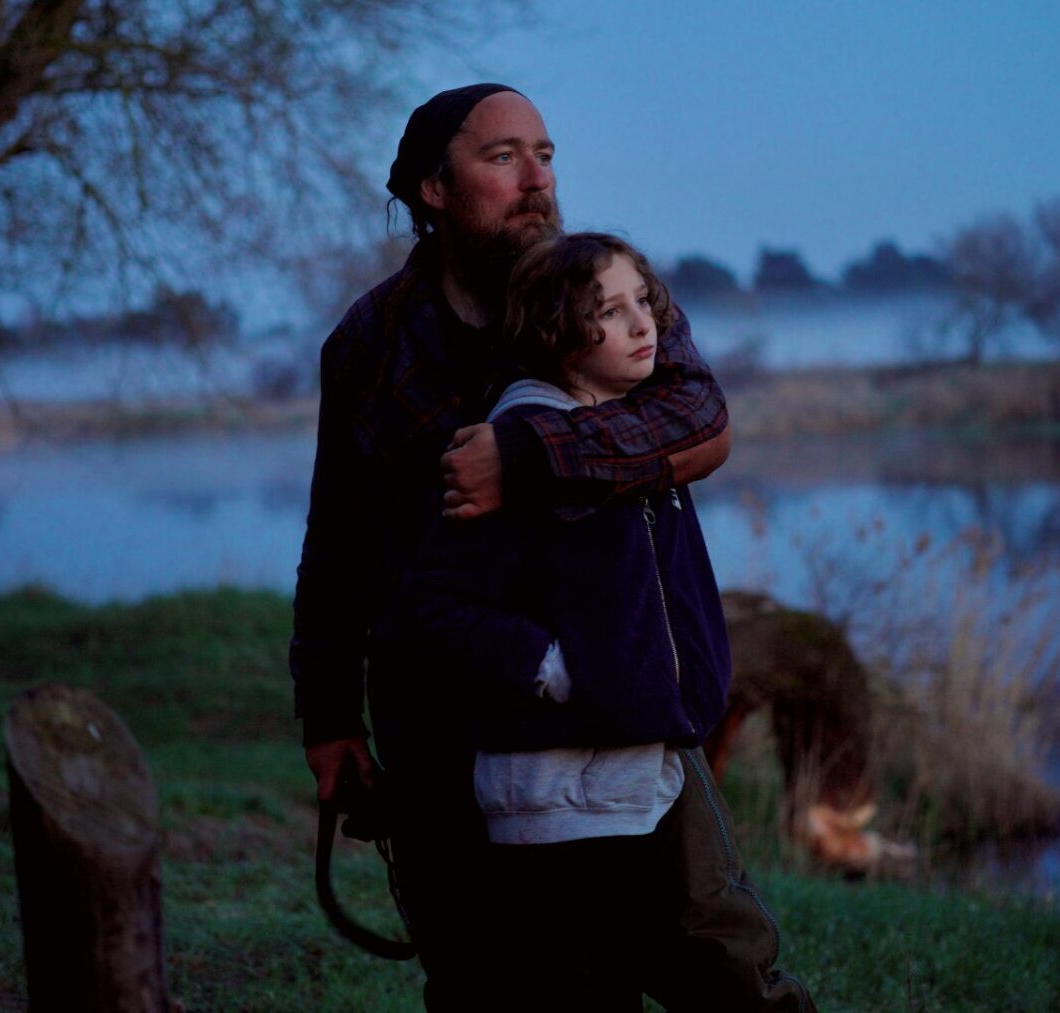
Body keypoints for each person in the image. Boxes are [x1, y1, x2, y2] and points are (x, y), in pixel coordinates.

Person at [288, 84, 777, 1010]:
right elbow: (337, 537)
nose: (538, 179)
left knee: (721, 966)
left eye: (546, 154)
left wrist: (528, 452)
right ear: (433, 188)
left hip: (620, 706)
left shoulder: (599, 287)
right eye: (504, 157)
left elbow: (700, 421)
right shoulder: (367, 341)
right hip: (439, 715)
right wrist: (328, 715)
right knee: (491, 981)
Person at [384, 232, 812, 1011]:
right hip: (561, 791)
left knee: (728, 952)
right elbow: (432, 607)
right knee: (590, 983)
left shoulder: (634, 428)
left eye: (642, 302)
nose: (642, 325)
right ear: (556, 333)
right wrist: (555, 666)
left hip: (647, 753)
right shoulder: (507, 450)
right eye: (608, 312)